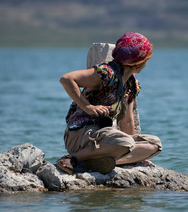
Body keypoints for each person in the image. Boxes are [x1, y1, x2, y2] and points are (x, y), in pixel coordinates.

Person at [57, 32, 162, 174]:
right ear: (137, 62)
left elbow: (127, 123)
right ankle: (73, 159)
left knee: (154, 144)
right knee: (126, 142)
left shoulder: (131, 84)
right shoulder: (106, 73)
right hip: (81, 134)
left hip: (104, 138)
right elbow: (67, 79)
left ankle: (105, 162)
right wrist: (88, 107)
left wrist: (132, 149)